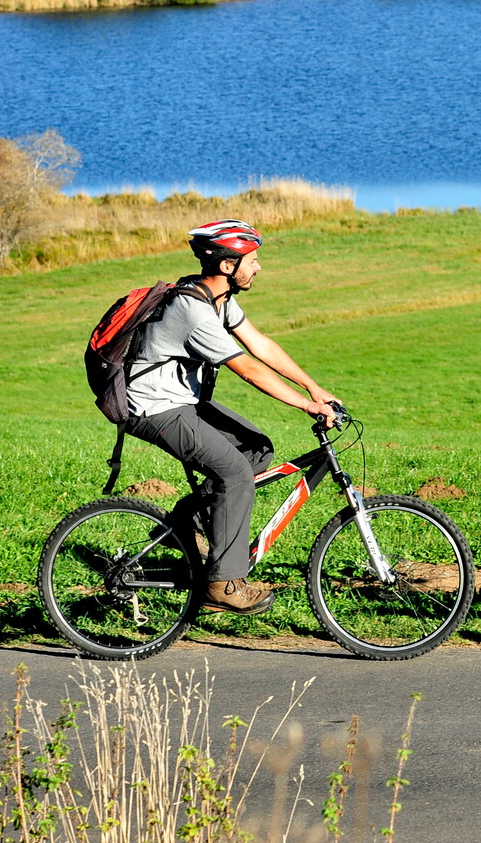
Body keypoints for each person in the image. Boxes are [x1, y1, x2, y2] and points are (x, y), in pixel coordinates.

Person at [123, 220, 340, 615]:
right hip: (154, 407)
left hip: (182, 400)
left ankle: (183, 526)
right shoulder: (193, 311)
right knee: (236, 474)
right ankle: (222, 584)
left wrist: (313, 387)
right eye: (252, 261)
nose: (257, 268)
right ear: (227, 266)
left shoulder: (218, 300)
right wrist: (306, 406)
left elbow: (260, 346)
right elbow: (249, 369)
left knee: (257, 449)